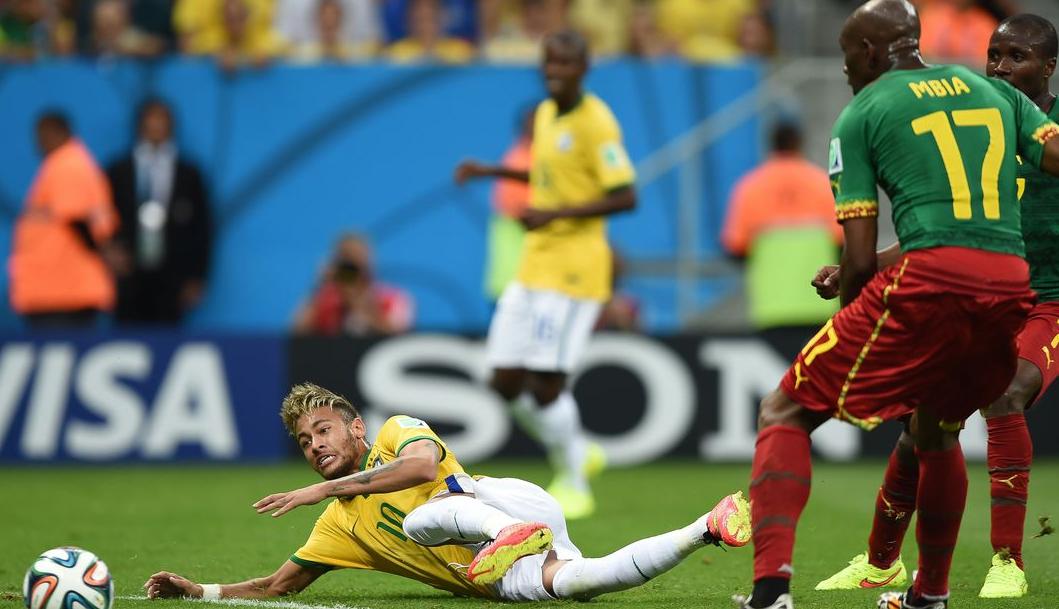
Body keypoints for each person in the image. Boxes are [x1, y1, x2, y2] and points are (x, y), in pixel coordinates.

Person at [732, 1, 1059, 608]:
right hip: (1009, 288)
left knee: (784, 411)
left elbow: (859, 255)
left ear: (867, 53)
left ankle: (771, 591)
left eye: (846, 56)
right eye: (999, 53)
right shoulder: (990, 95)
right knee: (934, 429)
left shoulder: (861, 113)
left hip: (960, 287)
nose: (847, 69)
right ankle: (922, 590)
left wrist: (855, 321)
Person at [143, 382, 751, 603]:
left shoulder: (393, 431)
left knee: (419, 517)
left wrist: (311, 493)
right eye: (304, 441)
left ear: (354, 427)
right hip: (492, 573)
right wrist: (202, 591)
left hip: (507, 506)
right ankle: (709, 525)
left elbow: (419, 467)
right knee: (584, 582)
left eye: (322, 430)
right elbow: (279, 587)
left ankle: (504, 535)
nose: (315, 446)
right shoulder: (338, 528)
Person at [453, 30, 637, 519]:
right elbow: (550, 178)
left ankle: (575, 479)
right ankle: (581, 450)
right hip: (534, 263)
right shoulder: (548, 115)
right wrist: (494, 172)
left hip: (574, 271)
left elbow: (625, 195)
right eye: (548, 63)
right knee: (503, 381)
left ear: (583, 67)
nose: (554, 71)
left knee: (546, 383)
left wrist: (556, 216)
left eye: (564, 64)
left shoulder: (597, 122)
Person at [721, 121, 843, 331]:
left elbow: (734, 247)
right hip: (819, 304)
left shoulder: (749, 187)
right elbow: (843, 241)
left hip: (771, 307)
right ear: (799, 144)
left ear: (771, 145)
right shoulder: (823, 184)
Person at [9, 112, 119, 328]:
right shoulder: (70, 163)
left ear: (57, 132)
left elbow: (77, 219)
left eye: (41, 136)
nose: (38, 144)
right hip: (59, 290)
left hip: (63, 290)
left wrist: (103, 253)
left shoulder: (68, 165)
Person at [107, 98, 212, 324]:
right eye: (151, 119)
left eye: (162, 120)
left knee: (167, 342)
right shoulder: (117, 171)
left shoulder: (189, 173)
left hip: (172, 276)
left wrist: (197, 276)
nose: (156, 126)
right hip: (128, 274)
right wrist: (109, 254)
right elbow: (103, 218)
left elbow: (202, 228)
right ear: (140, 125)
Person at [293, 233, 414, 336]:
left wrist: (356, 298)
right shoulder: (325, 300)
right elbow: (297, 333)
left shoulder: (392, 298)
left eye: (358, 257)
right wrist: (318, 287)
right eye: (347, 258)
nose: (354, 266)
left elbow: (397, 336)